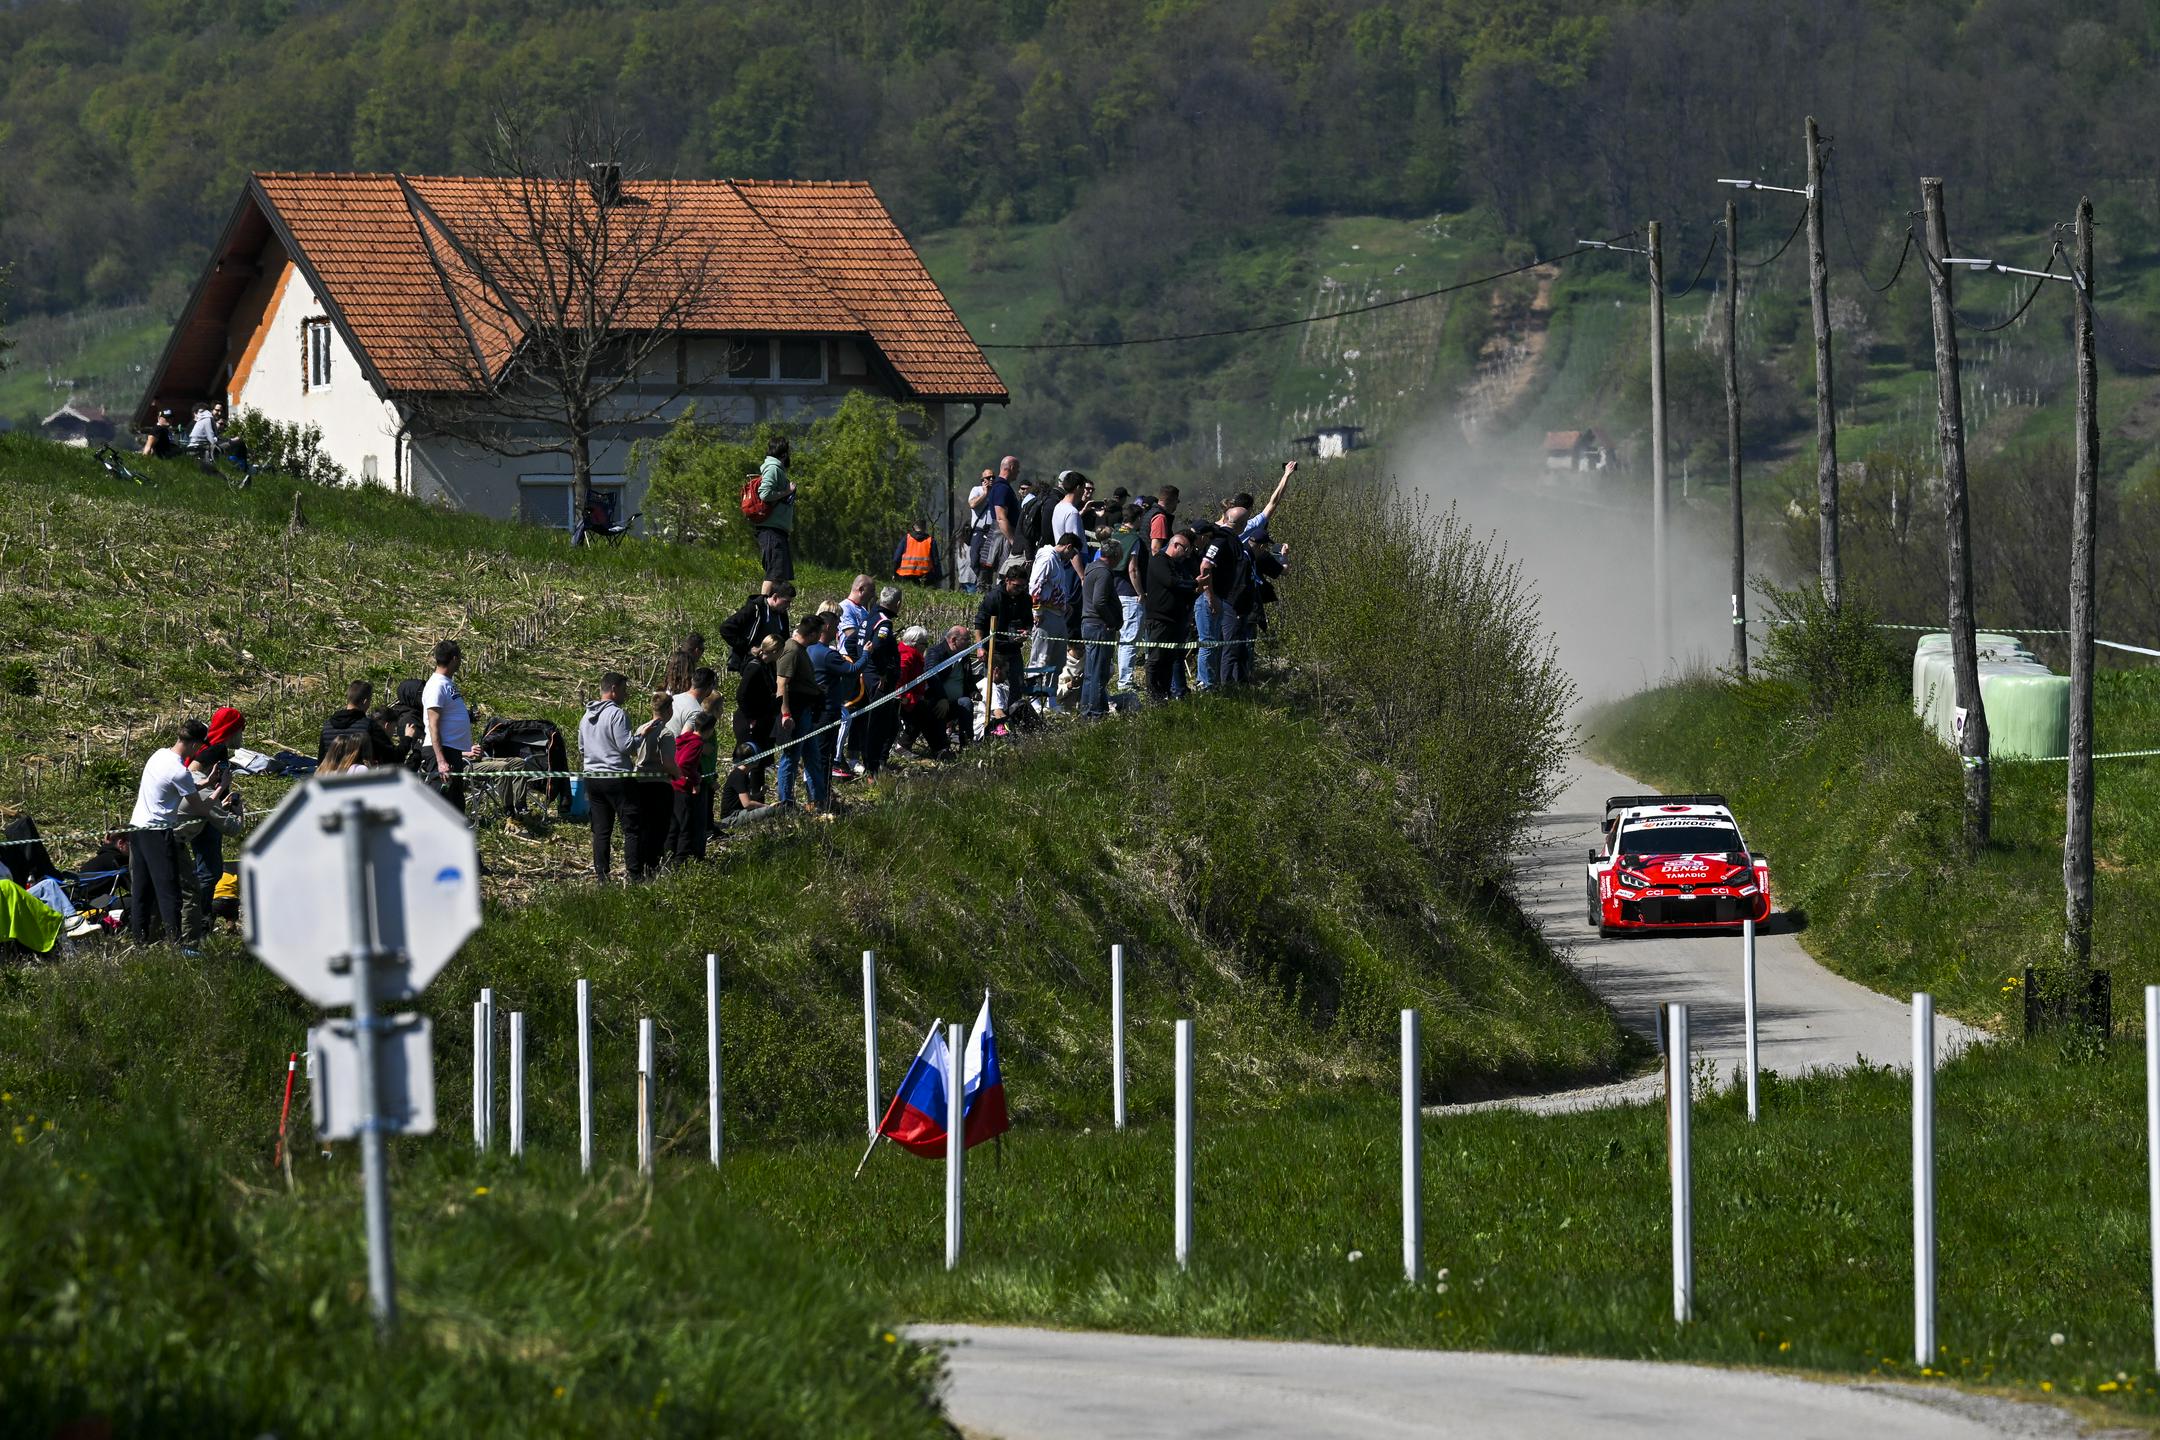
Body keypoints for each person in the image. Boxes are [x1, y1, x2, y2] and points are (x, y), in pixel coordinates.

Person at [127, 720, 240, 951]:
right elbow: (200, 808)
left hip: (137, 829)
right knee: (170, 891)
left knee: (141, 889)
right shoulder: (178, 771)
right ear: (197, 745)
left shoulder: (159, 756)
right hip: (158, 833)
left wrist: (208, 782)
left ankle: (139, 941)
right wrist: (221, 787)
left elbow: (181, 787)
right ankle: (176, 944)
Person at [184, 705, 246, 945]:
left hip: (208, 809)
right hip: (207, 815)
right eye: (240, 729)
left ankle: (202, 917)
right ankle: (202, 920)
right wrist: (213, 793)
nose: (242, 734)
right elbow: (193, 772)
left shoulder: (208, 746)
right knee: (209, 870)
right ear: (232, 729)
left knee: (208, 868)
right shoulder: (216, 748)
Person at [578, 671, 641, 883]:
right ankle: (634, 874)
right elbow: (626, 747)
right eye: (624, 689)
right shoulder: (617, 714)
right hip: (617, 777)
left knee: (601, 830)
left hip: (593, 777)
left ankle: (602, 876)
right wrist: (642, 737)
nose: (626, 694)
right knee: (631, 827)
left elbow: (581, 747)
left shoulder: (586, 716)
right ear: (613, 690)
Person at [773, 612, 828, 812]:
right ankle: (785, 801)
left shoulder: (801, 649)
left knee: (812, 755)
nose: (821, 636)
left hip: (805, 710)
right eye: (819, 633)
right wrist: (786, 714)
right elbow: (782, 683)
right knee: (791, 757)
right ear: (812, 633)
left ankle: (818, 799)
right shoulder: (792, 650)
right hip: (795, 712)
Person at [974, 557, 1033, 737]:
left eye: (1023, 586)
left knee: (1017, 685)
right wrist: (980, 647)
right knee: (992, 688)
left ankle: (1012, 723)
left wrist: (1025, 633)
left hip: (1013, 649)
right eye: (1016, 586)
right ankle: (991, 724)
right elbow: (979, 624)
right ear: (1007, 581)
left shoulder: (1025, 598)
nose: (1019, 589)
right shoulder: (993, 597)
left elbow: (1029, 623)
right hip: (994, 648)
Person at [1193, 515, 1251, 692]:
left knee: (1214, 642)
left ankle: (1212, 682)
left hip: (1219, 597)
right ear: (1242, 525)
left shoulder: (1225, 538)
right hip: (1210, 598)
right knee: (1209, 642)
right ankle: (1205, 683)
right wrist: (1210, 596)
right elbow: (1205, 566)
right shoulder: (1220, 541)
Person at [423, 639, 480, 814]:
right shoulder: (436, 686)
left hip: (452, 750)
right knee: (440, 805)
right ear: (454, 659)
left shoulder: (447, 683)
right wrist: (441, 761)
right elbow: (433, 725)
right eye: (460, 658)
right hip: (441, 752)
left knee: (456, 806)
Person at [1144, 530, 1201, 702]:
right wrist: (1193, 584)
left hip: (1176, 620)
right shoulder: (1159, 560)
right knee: (1156, 659)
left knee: (1170, 660)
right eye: (1185, 549)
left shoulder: (1179, 565)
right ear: (1175, 545)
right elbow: (1171, 582)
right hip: (1159, 619)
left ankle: (1165, 693)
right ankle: (1154, 696)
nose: (1187, 554)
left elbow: (1185, 585)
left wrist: (1193, 588)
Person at [1028, 532, 1082, 710]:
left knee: (1057, 660)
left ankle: (1051, 698)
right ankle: (1034, 698)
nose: (1072, 557)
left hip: (1059, 615)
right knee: (1040, 658)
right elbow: (1036, 583)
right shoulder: (1047, 557)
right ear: (1068, 547)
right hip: (1045, 614)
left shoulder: (1058, 561)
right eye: (1072, 553)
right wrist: (1037, 610)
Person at [858, 586, 905, 775]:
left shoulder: (869, 616)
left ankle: (874, 764)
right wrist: (884, 672)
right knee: (879, 726)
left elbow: (855, 642)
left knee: (885, 723)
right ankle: (873, 768)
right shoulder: (884, 623)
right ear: (898, 604)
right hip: (878, 681)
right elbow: (876, 648)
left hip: (867, 675)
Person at [633, 691, 680, 876]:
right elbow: (668, 762)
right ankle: (652, 866)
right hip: (659, 784)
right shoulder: (666, 733)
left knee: (643, 826)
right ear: (668, 709)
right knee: (659, 828)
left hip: (639, 782)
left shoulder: (641, 728)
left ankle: (640, 864)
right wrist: (678, 774)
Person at [911, 625, 972, 756]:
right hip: (936, 700)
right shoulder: (935, 652)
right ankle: (941, 747)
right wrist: (942, 698)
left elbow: (968, 678)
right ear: (954, 640)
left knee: (966, 702)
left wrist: (973, 691)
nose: (969, 642)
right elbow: (931, 675)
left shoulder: (965, 655)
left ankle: (967, 746)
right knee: (935, 708)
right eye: (966, 639)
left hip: (956, 702)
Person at [1080, 537, 1124, 719]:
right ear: (1115, 556)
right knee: (1099, 672)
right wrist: (1111, 621)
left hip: (1090, 624)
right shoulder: (1104, 573)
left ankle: (1087, 710)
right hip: (1099, 626)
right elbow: (1099, 601)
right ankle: (1097, 712)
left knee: (1091, 672)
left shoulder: (1091, 568)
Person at [668, 710, 715, 862]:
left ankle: (668, 857)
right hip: (683, 787)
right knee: (685, 826)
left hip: (673, 785)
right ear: (708, 730)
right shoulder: (697, 744)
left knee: (674, 825)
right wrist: (696, 780)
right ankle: (680, 862)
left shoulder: (684, 738)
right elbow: (684, 764)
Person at [753, 437, 796, 597]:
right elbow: (765, 494)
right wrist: (787, 491)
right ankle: (763, 605)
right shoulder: (773, 469)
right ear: (784, 454)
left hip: (777, 530)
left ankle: (773, 608)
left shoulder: (776, 469)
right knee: (774, 572)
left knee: (780, 575)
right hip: (771, 531)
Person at [719, 582, 793, 671]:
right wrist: (748, 648)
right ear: (775, 597)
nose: (788, 606)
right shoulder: (754, 609)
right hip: (747, 663)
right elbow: (726, 628)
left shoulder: (782, 614)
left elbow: (784, 637)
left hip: (768, 664)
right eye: (786, 602)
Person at [319, 680, 395, 765]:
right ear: (365, 701)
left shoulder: (327, 726)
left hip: (332, 777)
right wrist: (407, 739)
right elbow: (392, 757)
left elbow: (321, 761)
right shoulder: (369, 726)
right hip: (358, 777)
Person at [733, 634, 781, 754]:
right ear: (775, 651)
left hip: (762, 720)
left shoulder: (768, 666)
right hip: (749, 721)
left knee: (760, 763)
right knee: (747, 760)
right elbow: (741, 694)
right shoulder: (754, 667)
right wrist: (750, 718)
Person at [718, 742, 779, 827]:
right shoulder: (740, 776)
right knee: (772, 811)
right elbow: (747, 804)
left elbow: (744, 799)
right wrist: (767, 807)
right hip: (731, 818)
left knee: (771, 816)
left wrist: (760, 794)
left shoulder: (742, 773)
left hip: (737, 814)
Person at [668, 666, 717, 737]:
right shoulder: (696, 712)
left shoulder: (674, 698)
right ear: (710, 686)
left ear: (692, 680)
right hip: (672, 747)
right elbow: (684, 740)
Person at [892, 520, 941, 586]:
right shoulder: (930, 540)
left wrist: (894, 573)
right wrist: (938, 577)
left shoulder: (906, 539)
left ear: (914, 527)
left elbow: (896, 558)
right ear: (925, 527)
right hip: (925, 577)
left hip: (906, 576)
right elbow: (936, 562)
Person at [1051, 470, 1088, 544]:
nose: (1084, 492)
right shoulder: (1072, 512)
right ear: (1077, 488)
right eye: (1083, 488)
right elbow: (1073, 543)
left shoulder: (1058, 506)